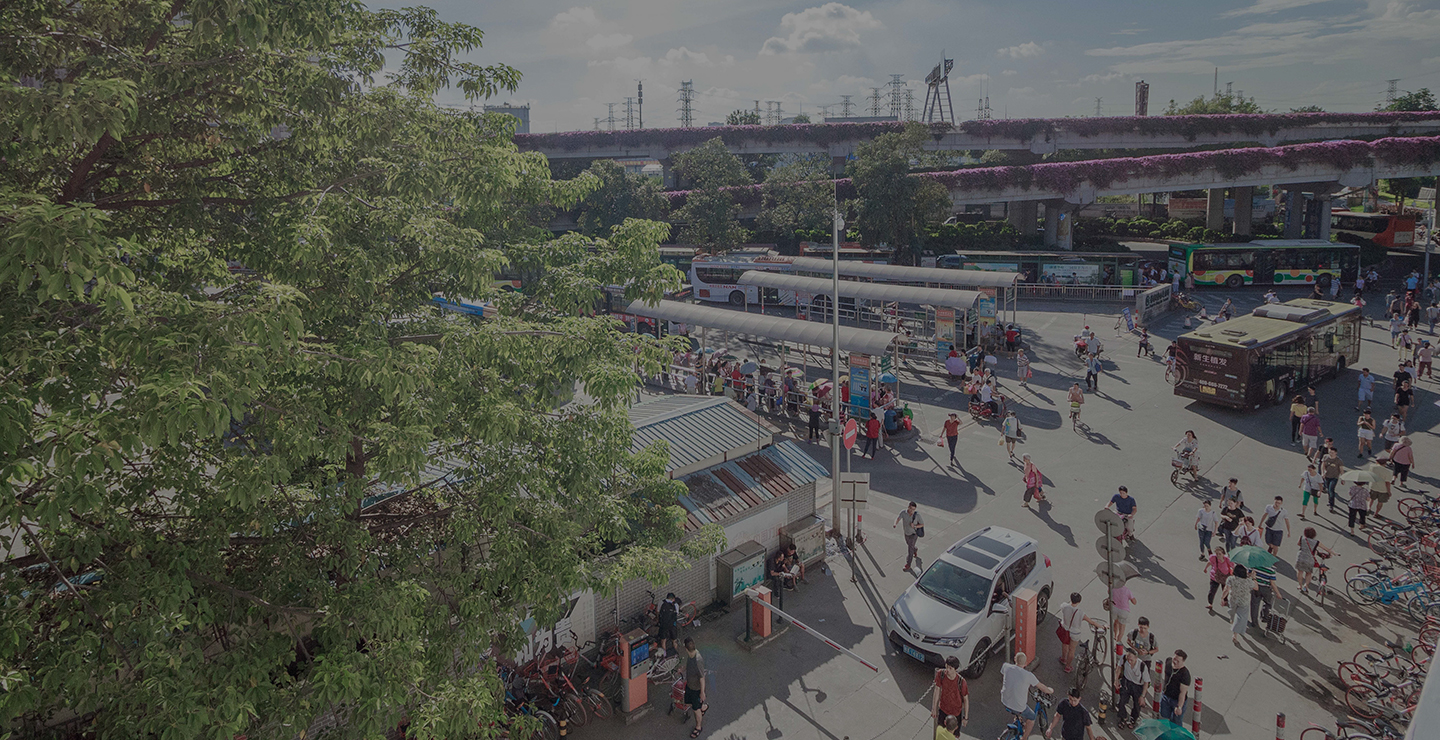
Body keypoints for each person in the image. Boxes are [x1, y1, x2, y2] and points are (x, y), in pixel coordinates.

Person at [1000, 652, 1053, 740]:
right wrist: (1050, 690)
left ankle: (1017, 719)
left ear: (1015, 659)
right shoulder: (1028, 676)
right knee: (1032, 717)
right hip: (1018, 706)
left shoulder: (1006, 667)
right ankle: (1024, 738)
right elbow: (1042, 687)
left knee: (1017, 700)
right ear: (1025, 663)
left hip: (1005, 700)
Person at [1057, 592, 1105, 673]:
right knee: (1072, 650)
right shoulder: (1080, 613)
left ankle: (1063, 659)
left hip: (1065, 630)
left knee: (1065, 645)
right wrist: (1102, 626)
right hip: (1075, 633)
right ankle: (1068, 666)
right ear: (1079, 601)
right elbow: (1092, 622)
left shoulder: (1064, 606)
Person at [1113, 648, 1151, 729]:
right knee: (1121, 701)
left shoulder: (1142, 666)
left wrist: (1143, 696)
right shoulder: (1124, 658)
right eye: (1128, 659)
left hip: (1138, 686)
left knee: (1137, 705)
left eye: (1131, 660)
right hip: (1126, 682)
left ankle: (1133, 719)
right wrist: (1116, 680)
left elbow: (1146, 682)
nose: (1129, 662)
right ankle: (1123, 717)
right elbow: (1118, 668)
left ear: (1136, 658)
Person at [930, 656, 969, 731]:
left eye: (950, 668)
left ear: (955, 669)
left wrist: (966, 717)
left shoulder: (961, 682)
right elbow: (937, 690)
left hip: (955, 714)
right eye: (946, 667)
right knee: (940, 732)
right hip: (943, 710)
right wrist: (934, 708)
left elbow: (966, 699)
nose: (947, 670)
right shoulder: (941, 674)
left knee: (953, 735)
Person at [1223, 564, 1258, 646]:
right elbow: (1256, 587)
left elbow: (1226, 589)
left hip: (1233, 599)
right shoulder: (1248, 581)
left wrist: (1222, 598)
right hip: (1244, 602)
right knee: (1240, 618)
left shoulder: (1231, 579)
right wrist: (1253, 577)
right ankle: (1235, 633)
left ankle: (1232, 621)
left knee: (1232, 612)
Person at [1295, 526, 1334, 596]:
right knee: (1308, 573)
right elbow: (1326, 549)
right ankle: (1306, 586)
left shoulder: (1302, 538)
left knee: (1300, 572)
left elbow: (1298, 544)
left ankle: (1300, 585)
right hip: (1310, 559)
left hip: (1300, 557)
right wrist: (1333, 553)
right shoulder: (1316, 542)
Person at [681, 637, 707, 738]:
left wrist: (702, 692)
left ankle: (698, 727)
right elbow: (689, 665)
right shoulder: (691, 655)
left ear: (685, 648)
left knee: (696, 710)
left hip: (696, 689)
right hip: (689, 685)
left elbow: (702, 677)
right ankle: (703, 707)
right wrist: (683, 669)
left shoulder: (698, 660)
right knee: (689, 703)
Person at [1160, 650, 1192, 725]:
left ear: (1183, 661)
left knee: (1176, 722)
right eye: (1174, 659)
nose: (1175, 662)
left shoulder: (1185, 674)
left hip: (1176, 700)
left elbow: (1182, 692)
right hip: (1166, 696)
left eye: (1178, 661)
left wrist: (1179, 707)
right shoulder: (1168, 662)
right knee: (1163, 718)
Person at [895, 502, 924, 574]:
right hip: (906, 533)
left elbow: (922, 524)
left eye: (913, 509)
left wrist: (915, 526)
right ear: (908, 507)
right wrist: (895, 524)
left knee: (910, 549)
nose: (911, 511)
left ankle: (908, 564)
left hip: (913, 534)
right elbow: (898, 518)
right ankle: (915, 549)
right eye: (910, 508)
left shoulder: (917, 515)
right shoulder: (903, 512)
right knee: (909, 545)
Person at [1204, 546, 1234, 612]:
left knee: (1225, 590)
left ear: (1223, 554)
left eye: (1219, 554)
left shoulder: (1227, 559)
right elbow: (1210, 562)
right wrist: (1205, 568)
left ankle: (1225, 600)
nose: (1218, 555)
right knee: (1212, 591)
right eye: (1217, 553)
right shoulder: (1213, 557)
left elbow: (1233, 566)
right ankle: (1210, 603)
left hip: (1225, 578)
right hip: (1215, 577)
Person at [1321, 447, 1344, 512]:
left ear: (1336, 453)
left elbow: (1341, 470)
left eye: (1332, 453)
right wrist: (1323, 472)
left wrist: (1342, 478)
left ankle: (1331, 505)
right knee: (1328, 490)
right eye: (1330, 452)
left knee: (1331, 490)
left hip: (1334, 477)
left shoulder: (1338, 460)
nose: (1331, 454)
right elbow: (1323, 465)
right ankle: (1330, 501)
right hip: (1327, 476)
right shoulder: (1325, 457)